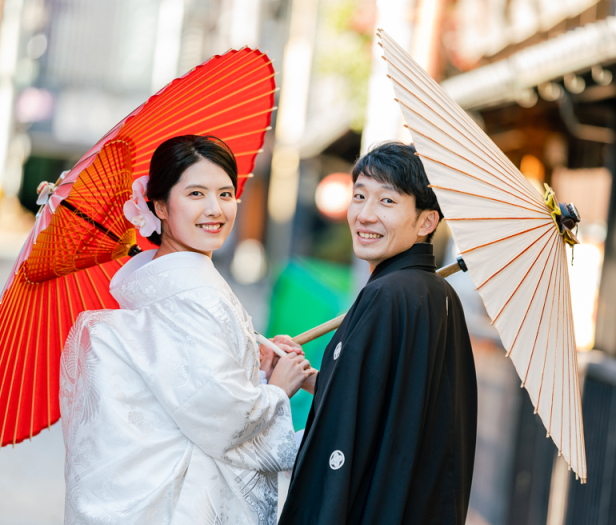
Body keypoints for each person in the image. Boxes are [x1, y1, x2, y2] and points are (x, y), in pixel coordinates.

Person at [59, 135, 315, 525]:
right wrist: (278, 388)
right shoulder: (196, 296)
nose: (215, 209)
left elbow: (194, 394)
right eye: (196, 193)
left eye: (226, 193)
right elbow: (224, 420)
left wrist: (255, 369)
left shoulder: (167, 287)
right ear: (159, 205)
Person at [279, 142, 478, 524]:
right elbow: (380, 401)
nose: (365, 215)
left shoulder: (388, 294)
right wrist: (304, 376)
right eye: (359, 196)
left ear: (426, 222)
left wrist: (279, 386)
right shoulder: (436, 293)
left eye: (387, 202)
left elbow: (347, 428)